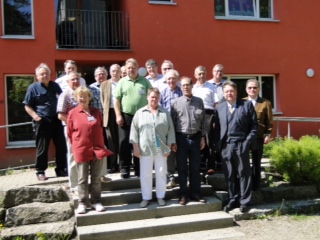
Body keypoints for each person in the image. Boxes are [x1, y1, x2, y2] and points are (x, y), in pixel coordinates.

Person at [67, 86, 113, 214]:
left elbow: (100, 128)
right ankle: (82, 202)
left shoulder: (96, 112)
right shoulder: (72, 113)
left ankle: (96, 201)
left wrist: (102, 145)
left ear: (89, 98)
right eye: (80, 96)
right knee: (82, 178)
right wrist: (78, 145)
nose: (83, 99)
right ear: (76, 98)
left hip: (97, 148)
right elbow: (70, 133)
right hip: (81, 149)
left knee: (96, 177)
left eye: (85, 96)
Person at [215, 81, 258, 213]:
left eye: (231, 91)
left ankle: (245, 201)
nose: (229, 93)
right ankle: (232, 199)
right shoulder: (220, 108)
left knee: (244, 173)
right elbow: (216, 129)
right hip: (226, 146)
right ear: (223, 93)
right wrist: (219, 146)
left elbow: (254, 127)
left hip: (241, 144)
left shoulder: (246, 105)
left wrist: (247, 142)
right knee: (230, 174)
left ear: (236, 92)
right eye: (227, 91)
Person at [130, 88, 176, 208]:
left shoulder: (165, 113)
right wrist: (135, 147)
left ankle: (160, 196)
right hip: (145, 148)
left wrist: (170, 146)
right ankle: (146, 197)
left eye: (156, 97)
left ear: (159, 98)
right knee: (145, 174)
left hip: (162, 148)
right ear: (147, 97)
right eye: (152, 96)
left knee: (161, 173)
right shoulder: (140, 113)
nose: (154, 99)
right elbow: (134, 130)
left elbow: (171, 130)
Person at [23, 63, 67, 181]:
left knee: (61, 146)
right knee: (42, 148)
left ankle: (61, 169)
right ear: (37, 76)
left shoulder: (55, 86)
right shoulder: (33, 88)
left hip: (56, 121)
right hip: (43, 122)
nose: (45, 75)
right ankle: (40, 171)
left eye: (46, 73)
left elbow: (62, 100)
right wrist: (36, 117)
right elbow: (27, 106)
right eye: (42, 74)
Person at [171, 76, 208, 205]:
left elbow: (203, 121)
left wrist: (203, 137)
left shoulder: (199, 101)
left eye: (188, 85)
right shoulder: (175, 103)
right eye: (184, 85)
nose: (186, 87)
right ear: (181, 87)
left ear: (192, 86)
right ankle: (183, 195)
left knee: (195, 168)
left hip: (196, 137)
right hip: (181, 138)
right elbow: (172, 123)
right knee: (181, 169)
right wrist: (173, 141)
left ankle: (196, 194)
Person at [114, 58, 152, 178]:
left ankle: (139, 168)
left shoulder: (145, 82)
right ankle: (124, 168)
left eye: (133, 68)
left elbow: (151, 97)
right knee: (124, 142)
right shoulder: (122, 82)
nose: (131, 70)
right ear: (126, 69)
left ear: (137, 68)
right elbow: (116, 100)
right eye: (129, 68)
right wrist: (118, 115)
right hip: (126, 116)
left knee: (141, 142)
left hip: (143, 116)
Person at [244, 79, 273, 191]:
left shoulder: (265, 103)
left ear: (259, 89)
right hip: (244, 138)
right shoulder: (241, 102)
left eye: (255, 87)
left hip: (259, 137)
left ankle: (255, 186)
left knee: (257, 162)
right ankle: (246, 184)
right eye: (250, 87)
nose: (252, 89)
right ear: (246, 89)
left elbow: (269, 121)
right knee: (244, 162)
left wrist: (268, 134)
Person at [192, 66, 219, 176]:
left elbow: (216, 104)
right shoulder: (193, 88)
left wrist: (215, 119)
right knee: (197, 139)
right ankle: (198, 165)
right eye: (199, 74)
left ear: (206, 74)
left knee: (209, 141)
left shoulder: (212, 87)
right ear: (195, 75)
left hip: (209, 114)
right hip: (196, 115)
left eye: (203, 73)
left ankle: (211, 166)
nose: (201, 76)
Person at [57, 71, 80, 191]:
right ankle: (74, 185)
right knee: (72, 156)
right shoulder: (65, 95)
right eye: (73, 80)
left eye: (77, 79)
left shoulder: (83, 94)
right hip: (71, 130)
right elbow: (61, 115)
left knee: (83, 156)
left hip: (84, 131)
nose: (76, 81)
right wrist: (74, 124)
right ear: (68, 82)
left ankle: (83, 182)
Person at [160, 69, 183, 189]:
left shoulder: (182, 91)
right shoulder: (162, 93)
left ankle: (183, 177)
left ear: (177, 79)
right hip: (167, 126)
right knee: (169, 152)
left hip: (181, 126)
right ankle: (170, 177)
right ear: (166, 80)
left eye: (173, 78)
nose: (171, 81)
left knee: (181, 151)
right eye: (169, 78)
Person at [88, 67, 110, 183]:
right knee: (98, 145)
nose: (101, 76)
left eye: (103, 74)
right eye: (98, 74)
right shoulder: (90, 88)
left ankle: (108, 169)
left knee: (108, 144)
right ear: (95, 76)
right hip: (96, 121)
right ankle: (97, 173)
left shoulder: (111, 85)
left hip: (108, 120)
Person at [100, 64, 121, 173]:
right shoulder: (104, 84)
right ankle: (113, 165)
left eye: (117, 70)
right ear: (110, 72)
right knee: (111, 141)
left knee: (122, 140)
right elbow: (102, 100)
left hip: (122, 113)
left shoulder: (124, 82)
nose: (115, 73)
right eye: (113, 71)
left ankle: (122, 164)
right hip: (109, 114)